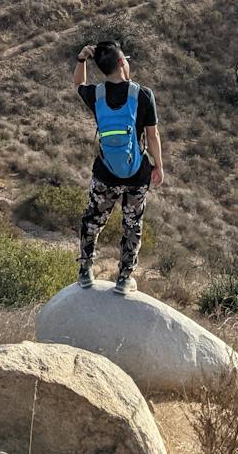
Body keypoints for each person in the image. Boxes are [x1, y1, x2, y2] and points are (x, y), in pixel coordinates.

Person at [72, 40, 165, 295]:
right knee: (132, 224)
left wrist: (82, 59)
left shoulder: (96, 95)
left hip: (104, 173)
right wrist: (158, 165)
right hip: (137, 174)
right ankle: (124, 278)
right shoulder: (143, 94)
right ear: (123, 62)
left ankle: (85, 271)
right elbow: (153, 134)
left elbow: (78, 84)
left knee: (93, 221)